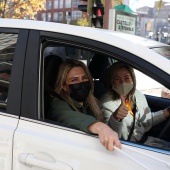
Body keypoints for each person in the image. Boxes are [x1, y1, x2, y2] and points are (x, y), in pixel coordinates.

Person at [48, 59, 121, 151]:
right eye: (74, 80)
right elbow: (67, 116)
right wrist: (100, 127)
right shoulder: (58, 104)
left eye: (84, 78)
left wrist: (116, 117)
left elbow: (109, 135)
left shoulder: (92, 103)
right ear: (64, 86)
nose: (81, 83)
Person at [100, 62, 170, 149]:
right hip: (130, 147)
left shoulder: (137, 95)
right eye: (117, 79)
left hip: (145, 141)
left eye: (127, 78)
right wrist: (116, 117)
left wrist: (167, 111)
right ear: (111, 82)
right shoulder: (107, 102)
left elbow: (146, 120)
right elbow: (110, 134)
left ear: (132, 79)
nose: (123, 82)